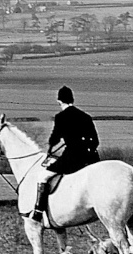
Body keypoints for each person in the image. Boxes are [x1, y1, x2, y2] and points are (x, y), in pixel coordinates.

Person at [30, 86, 101, 222]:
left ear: (59, 101)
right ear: (72, 99)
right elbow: (95, 141)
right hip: (91, 158)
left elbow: (55, 137)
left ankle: (38, 211)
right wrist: (87, 150)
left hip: (72, 157)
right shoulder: (86, 116)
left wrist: (50, 147)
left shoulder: (60, 117)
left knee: (43, 177)